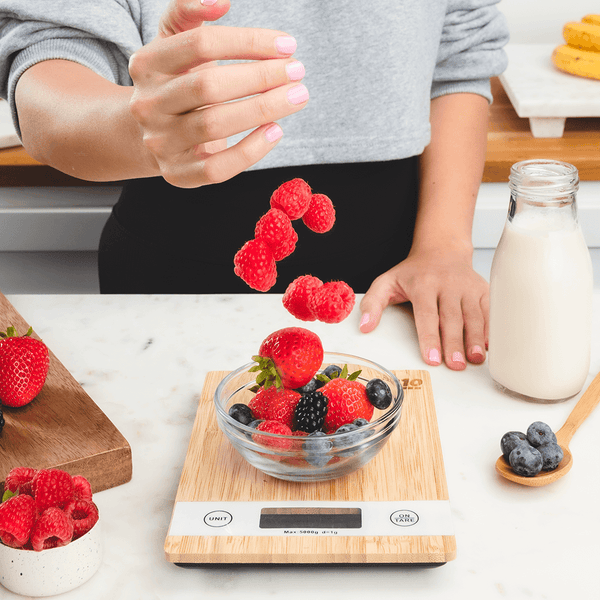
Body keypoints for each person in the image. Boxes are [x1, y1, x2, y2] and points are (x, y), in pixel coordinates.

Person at [0, 0, 509, 370]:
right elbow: (47, 59)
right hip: (173, 283)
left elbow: (459, 54)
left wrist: (444, 245)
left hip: (396, 286)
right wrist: (136, 125)